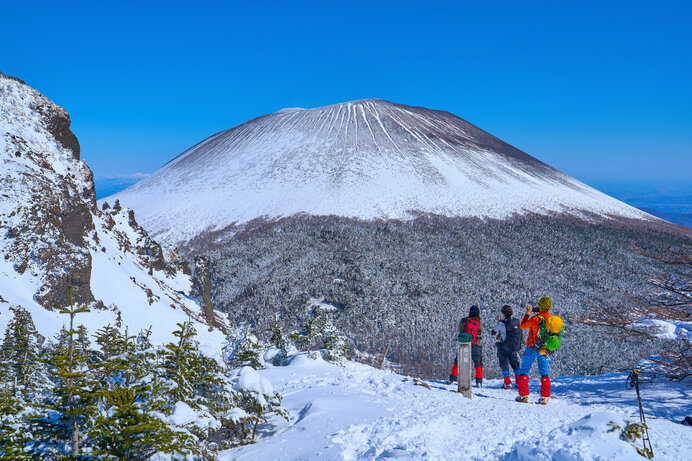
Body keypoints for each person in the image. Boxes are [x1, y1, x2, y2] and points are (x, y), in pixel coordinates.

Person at [515, 296, 563, 405]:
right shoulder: (552, 320)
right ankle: (544, 397)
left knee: (525, 370)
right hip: (545, 349)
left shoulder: (535, 319)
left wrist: (527, 314)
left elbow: (522, 326)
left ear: (539, 306)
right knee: (544, 372)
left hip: (532, 347)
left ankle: (523, 395)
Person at [448, 305, 484, 387]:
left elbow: (461, 330)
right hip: (476, 344)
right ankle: (479, 382)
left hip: (464, 343)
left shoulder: (463, 321)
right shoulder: (479, 323)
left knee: (458, 361)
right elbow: (480, 331)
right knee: (478, 363)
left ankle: (452, 379)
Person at [491, 305, 522, 389]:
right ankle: (519, 382)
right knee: (515, 364)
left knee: (504, 364)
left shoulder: (501, 323)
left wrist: (500, 323)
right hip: (514, 347)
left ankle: (507, 383)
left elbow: (493, 332)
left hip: (503, 347)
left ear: (503, 313)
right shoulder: (516, 321)